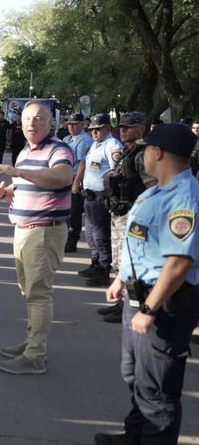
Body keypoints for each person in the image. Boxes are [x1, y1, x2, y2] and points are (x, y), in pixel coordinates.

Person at [96, 123, 199, 445]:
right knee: (135, 374)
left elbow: (178, 262)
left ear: (158, 153)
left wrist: (150, 309)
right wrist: (121, 280)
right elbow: (142, 242)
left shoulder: (183, 197)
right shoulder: (159, 191)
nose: (143, 155)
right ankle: (135, 436)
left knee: (158, 391)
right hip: (139, 298)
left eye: (147, 149)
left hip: (164, 306)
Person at [0, 100, 73, 374]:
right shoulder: (25, 151)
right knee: (29, 292)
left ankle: (35, 356)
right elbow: (26, 184)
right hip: (24, 230)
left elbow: (61, 177)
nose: (32, 123)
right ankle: (32, 342)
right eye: (27, 119)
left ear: (50, 123)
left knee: (38, 294)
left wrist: (17, 172)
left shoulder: (59, 149)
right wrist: (7, 192)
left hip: (44, 231)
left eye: (39, 119)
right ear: (20, 123)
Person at [97, 112, 157, 322]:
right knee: (118, 260)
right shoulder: (127, 152)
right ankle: (121, 304)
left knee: (131, 263)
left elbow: (152, 189)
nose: (123, 130)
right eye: (121, 126)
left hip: (134, 215)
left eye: (129, 127)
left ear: (142, 128)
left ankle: (133, 307)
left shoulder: (142, 154)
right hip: (121, 213)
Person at [80, 113, 124, 287]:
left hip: (101, 197)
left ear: (108, 128)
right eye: (92, 129)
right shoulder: (95, 145)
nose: (95, 132)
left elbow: (116, 173)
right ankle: (96, 262)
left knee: (100, 235)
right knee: (90, 234)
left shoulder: (112, 145)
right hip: (90, 196)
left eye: (98, 129)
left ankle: (104, 269)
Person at [62, 113, 91, 253]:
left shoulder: (84, 140)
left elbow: (82, 164)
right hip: (63, 177)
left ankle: (72, 239)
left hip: (75, 178)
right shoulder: (66, 139)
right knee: (64, 209)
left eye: (75, 124)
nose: (71, 126)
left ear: (82, 124)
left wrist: (76, 183)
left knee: (74, 211)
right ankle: (65, 237)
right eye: (69, 124)